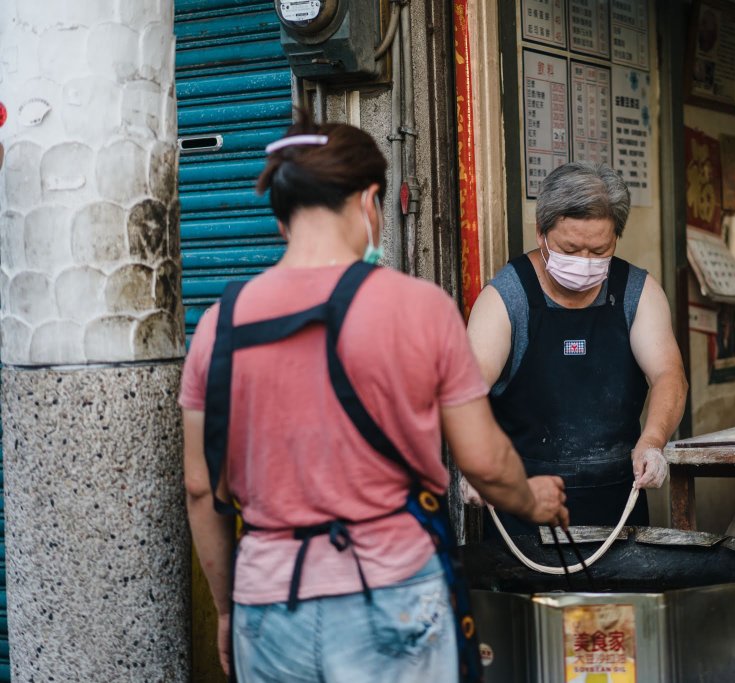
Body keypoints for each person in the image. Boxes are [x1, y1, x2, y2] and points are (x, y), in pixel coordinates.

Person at [180, 112, 568, 683]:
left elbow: (200, 488)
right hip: (390, 593)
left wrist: (227, 609)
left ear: (284, 221)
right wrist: (532, 500)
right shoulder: (418, 307)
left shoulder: (219, 326)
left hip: (268, 604)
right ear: (369, 203)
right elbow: (484, 462)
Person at [465, 161, 687, 535]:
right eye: (571, 248)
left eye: (599, 250)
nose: (585, 263)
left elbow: (669, 375)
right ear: (541, 234)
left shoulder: (636, 292)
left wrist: (652, 442)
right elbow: (464, 392)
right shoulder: (507, 298)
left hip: (617, 499)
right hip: (524, 503)